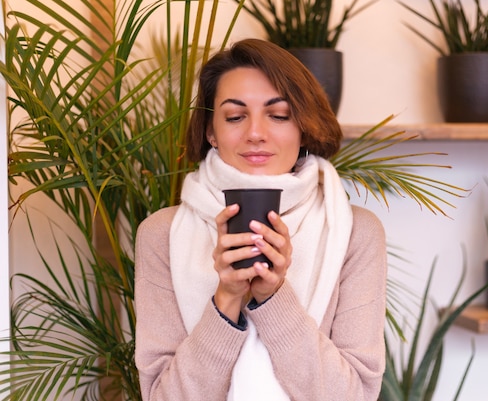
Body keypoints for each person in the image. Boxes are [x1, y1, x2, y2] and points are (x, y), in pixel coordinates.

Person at [134, 38, 387, 401]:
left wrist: (272, 298)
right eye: (235, 116)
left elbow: (355, 395)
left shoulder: (353, 234)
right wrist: (226, 299)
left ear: (303, 128)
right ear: (211, 132)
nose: (255, 133)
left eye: (279, 115)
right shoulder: (161, 235)